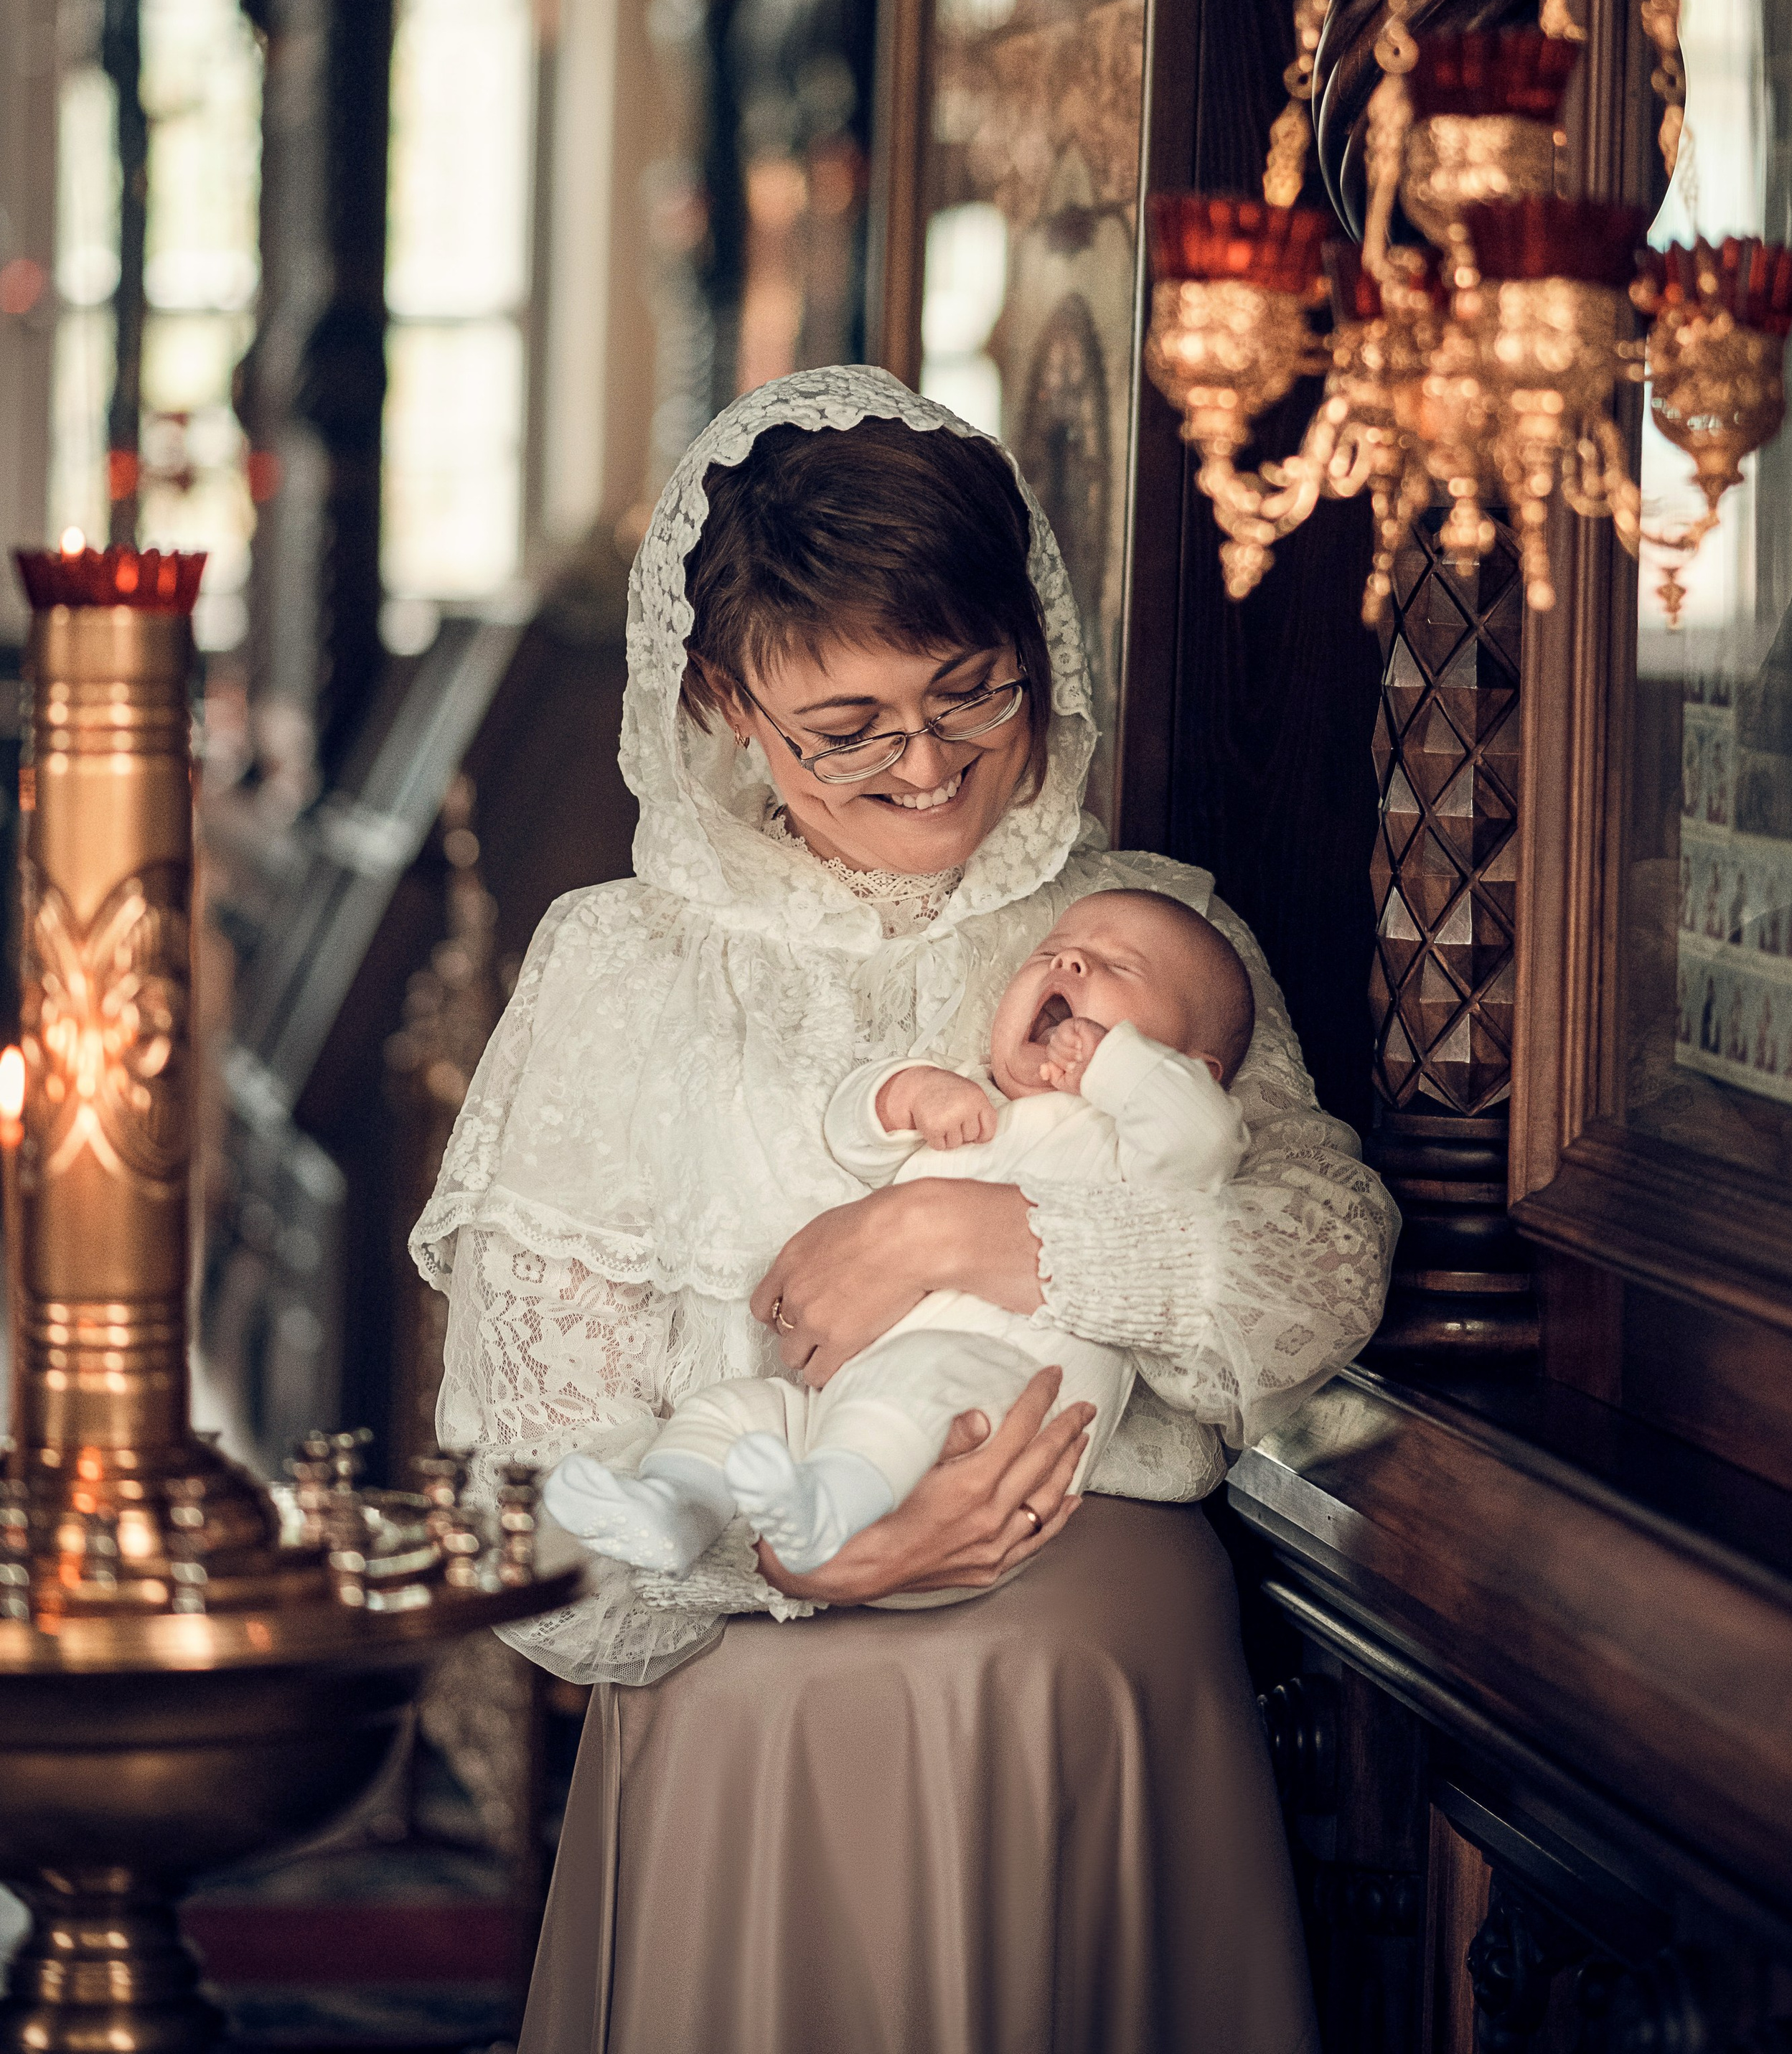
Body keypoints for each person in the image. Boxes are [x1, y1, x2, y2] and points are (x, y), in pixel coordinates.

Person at [411, 366, 1399, 2054]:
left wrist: (985, 1238)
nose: (928, 764)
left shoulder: (1138, 929)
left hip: (1088, 1692)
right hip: (748, 1683)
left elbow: (1319, 1261)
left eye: (969, 694)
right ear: (723, 693)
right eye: (847, 728)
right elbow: (531, 1486)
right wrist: (808, 1561)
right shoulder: (615, 968)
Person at [540, 889, 1252, 1577]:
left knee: (914, 1375)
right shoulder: (978, 1102)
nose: (1068, 966)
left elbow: (1204, 1135)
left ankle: (830, 1512)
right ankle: (675, 1511)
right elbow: (853, 1136)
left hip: (991, 1440)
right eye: (1053, 952)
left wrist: (1118, 1068)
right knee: (732, 1412)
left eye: (1119, 967)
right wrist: (911, 1093)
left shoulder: (1135, 1150)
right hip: (851, 1415)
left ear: (1192, 1070)